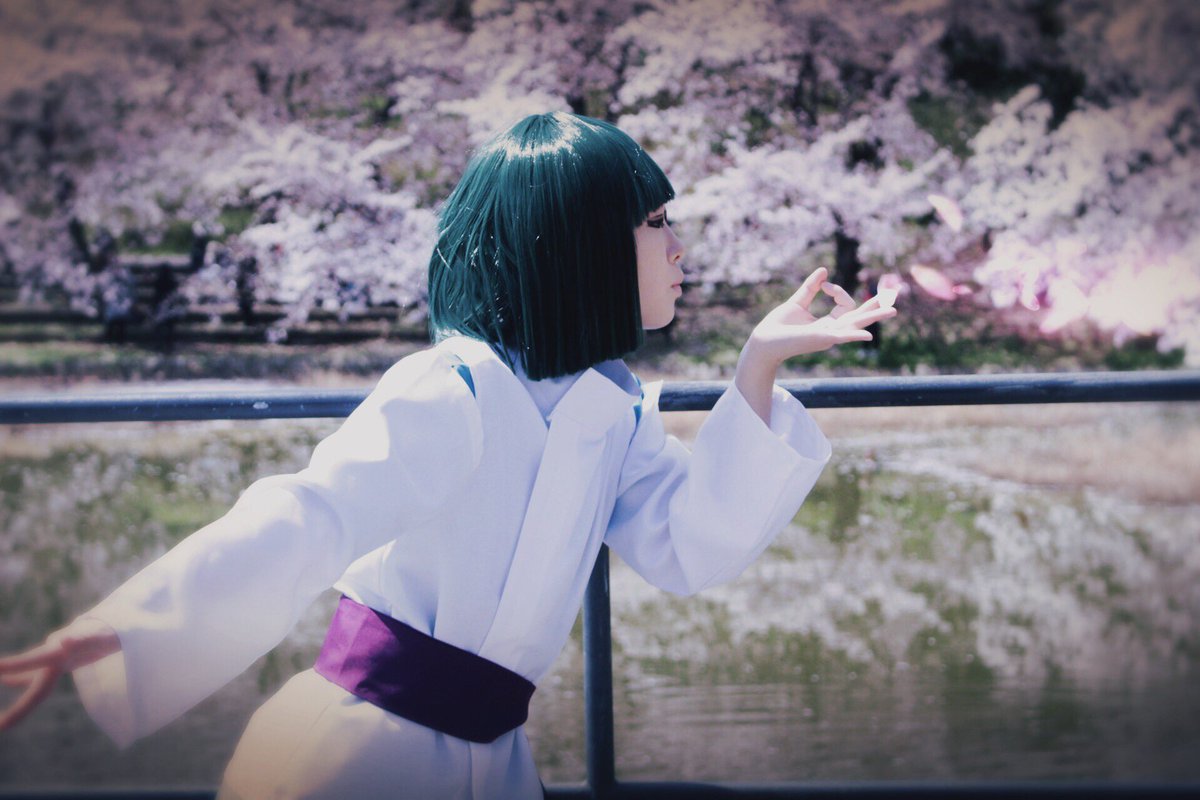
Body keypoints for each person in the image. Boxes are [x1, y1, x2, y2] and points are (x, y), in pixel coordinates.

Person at [0, 111, 896, 798]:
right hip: (352, 755)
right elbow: (312, 512)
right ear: (581, 244)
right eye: (655, 221)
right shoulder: (455, 386)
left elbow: (689, 543)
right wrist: (130, 627)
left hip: (493, 757)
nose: (678, 247)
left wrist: (758, 366)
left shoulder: (612, 407)